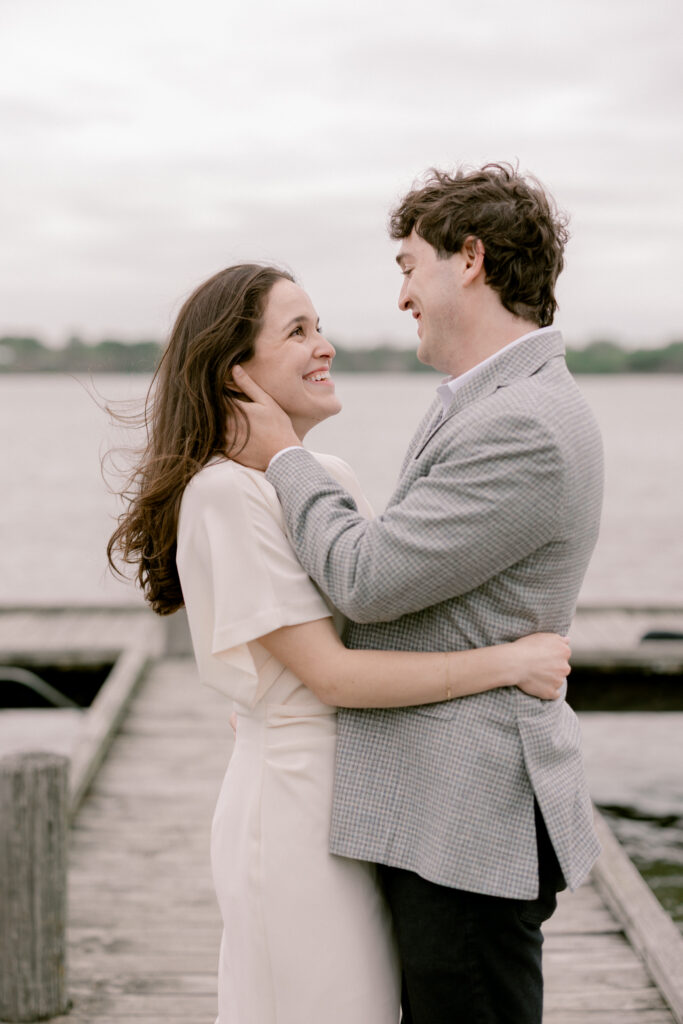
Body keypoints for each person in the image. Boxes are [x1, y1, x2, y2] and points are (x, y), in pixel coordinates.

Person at [107, 261, 572, 1024]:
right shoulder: (223, 493)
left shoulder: (326, 475)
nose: (324, 345)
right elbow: (329, 675)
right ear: (233, 373)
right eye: (296, 332)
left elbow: (381, 609)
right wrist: (508, 662)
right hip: (292, 809)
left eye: (318, 326)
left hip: (365, 803)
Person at [228, 163, 605, 1024]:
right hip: (443, 809)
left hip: (467, 815)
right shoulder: (489, 401)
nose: (400, 295)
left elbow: (367, 580)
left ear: (468, 259)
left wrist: (283, 455)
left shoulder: (523, 423)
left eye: (407, 267)